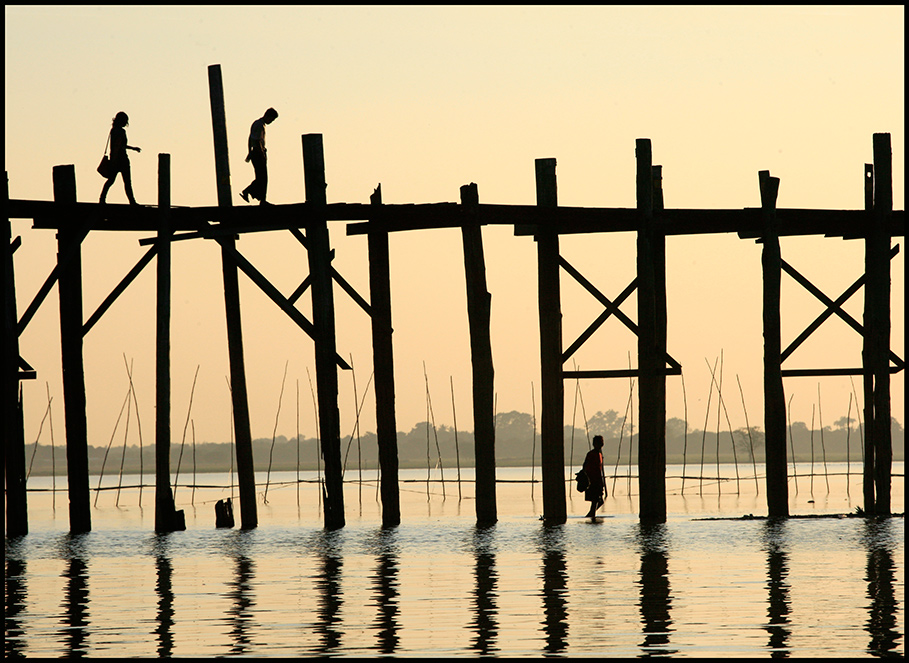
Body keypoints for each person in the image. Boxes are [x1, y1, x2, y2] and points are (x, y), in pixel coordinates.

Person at [99, 111, 141, 205]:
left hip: (115, 159)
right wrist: (133, 148)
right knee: (127, 183)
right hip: (121, 160)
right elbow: (120, 146)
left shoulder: (113, 130)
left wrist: (133, 148)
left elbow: (118, 146)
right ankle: (132, 201)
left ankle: (102, 199)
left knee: (111, 181)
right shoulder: (121, 131)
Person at [239, 107, 278, 205]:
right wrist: (262, 154)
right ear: (268, 116)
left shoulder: (256, 123)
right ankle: (256, 196)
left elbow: (250, 138)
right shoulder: (260, 125)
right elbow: (257, 141)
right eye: (272, 119)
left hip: (255, 152)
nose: (271, 122)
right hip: (258, 153)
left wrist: (249, 152)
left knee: (260, 177)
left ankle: (257, 196)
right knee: (263, 177)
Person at [582, 435, 607, 518]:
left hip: (598, 481)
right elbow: (585, 467)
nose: (600, 445)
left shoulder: (599, 454)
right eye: (599, 443)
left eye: (601, 443)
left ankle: (591, 514)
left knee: (599, 501)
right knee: (595, 500)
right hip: (593, 481)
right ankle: (591, 515)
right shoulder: (591, 454)